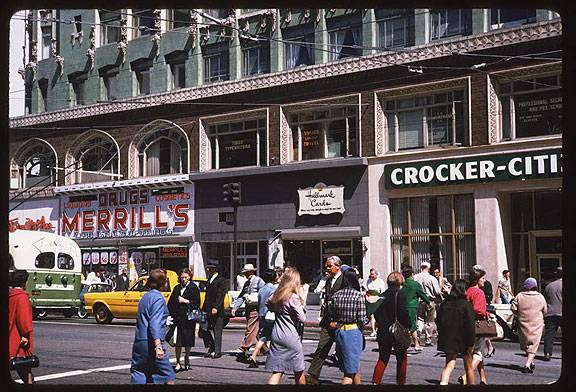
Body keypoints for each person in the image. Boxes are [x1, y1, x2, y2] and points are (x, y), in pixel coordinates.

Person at [130, 269, 175, 384]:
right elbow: (154, 323)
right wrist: (158, 345)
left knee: (139, 372)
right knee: (168, 376)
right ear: (162, 283)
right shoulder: (158, 298)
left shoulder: (144, 297)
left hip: (139, 341)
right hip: (151, 342)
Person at [306, 255, 345, 385]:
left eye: (330, 266)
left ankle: (350, 376)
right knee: (321, 348)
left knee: (344, 351)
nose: (327, 268)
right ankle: (313, 375)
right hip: (328, 321)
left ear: (337, 266)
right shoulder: (328, 280)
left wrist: (339, 320)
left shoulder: (344, 280)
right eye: (326, 266)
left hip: (340, 321)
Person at [265, 268, 307, 384]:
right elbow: (302, 318)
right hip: (290, 335)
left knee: (277, 370)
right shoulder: (293, 297)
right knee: (299, 369)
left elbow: (268, 304)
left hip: (277, 334)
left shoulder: (277, 295)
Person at [329, 270, 368, 384]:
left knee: (352, 366)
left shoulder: (336, 295)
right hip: (353, 332)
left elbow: (332, 315)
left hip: (340, 331)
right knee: (349, 373)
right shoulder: (358, 296)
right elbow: (362, 319)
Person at [371, 272, 410, 385]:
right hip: (397, 331)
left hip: (383, 331)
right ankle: (400, 382)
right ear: (399, 281)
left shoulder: (381, 296)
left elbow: (376, 314)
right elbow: (404, 314)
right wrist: (408, 325)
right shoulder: (401, 295)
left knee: (383, 358)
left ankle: (375, 382)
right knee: (402, 359)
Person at [437, 279, 475, 385]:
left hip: (449, 338)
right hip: (464, 339)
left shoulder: (445, 304)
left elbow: (439, 321)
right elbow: (470, 325)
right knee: (468, 367)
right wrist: (471, 342)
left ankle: (443, 383)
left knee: (449, 364)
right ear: (463, 290)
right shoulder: (466, 305)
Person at [458, 269, 489, 385]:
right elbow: (479, 310)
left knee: (475, 351)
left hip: (466, 324)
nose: (484, 281)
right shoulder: (479, 292)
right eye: (483, 278)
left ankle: (482, 378)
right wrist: (486, 314)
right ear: (477, 280)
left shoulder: (468, 291)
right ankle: (465, 376)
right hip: (477, 324)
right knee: (479, 353)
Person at [511, 277, 547, 373]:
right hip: (537, 323)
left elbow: (513, 308)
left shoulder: (519, 296)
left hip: (523, 323)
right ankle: (527, 365)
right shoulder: (540, 297)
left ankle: (531, 362)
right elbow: (545, 310)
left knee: (527, 344)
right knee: (533, 344)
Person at [167, 268, 201, 372]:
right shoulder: (177, 288)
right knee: (178, 341)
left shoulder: (193, 288)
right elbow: (171, 303)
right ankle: (177, 362)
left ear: (189, 277)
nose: (184, 279)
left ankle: (187, 357)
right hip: (178, 318)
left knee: (188, 341)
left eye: (186, 277)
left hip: (189, 319)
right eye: (182, 277)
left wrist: (186, 301)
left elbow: (197, 303)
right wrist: (169, 315)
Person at [232, 263, 265, 362]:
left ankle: (243, 348)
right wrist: (235, 307)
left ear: (252, 272)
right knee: (256, 331)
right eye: (245, 273)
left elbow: (263, 294)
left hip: (256, 309)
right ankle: (265, 349)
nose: (246, 274)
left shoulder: (259, 281)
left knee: (250, 329)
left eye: (247, 272)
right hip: (248, 309)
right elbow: (242, 295)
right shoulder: (247, 283)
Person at [248, 269, 279, 368]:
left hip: (261, 315)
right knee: (268, 337)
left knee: (265, 337)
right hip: (271, 316)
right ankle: (256, 356)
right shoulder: (273, 289)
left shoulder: (261, 289)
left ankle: (258, 356)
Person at [9, 270, 35, 384]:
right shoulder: (21, 297)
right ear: (24, 283)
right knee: (25, 368)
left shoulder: (10, 294)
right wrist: (25, 336)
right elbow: (23, 320)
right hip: (18, 339)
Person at [201, 260, 227, 359]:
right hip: (207, 308)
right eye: (209, 267)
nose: (209, 269)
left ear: (215, 269)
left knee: (217, 330)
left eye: (211, 268)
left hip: (217, 310)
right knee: (204, 329)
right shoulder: (209, 279)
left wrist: (216, 307)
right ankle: (211, 347)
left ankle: (217, 351)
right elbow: (207, 296)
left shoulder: (221, 280)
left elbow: (221, 295)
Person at [400, 265, 429, 352]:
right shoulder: (415, 284)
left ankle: (404, 344)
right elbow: (422, 295)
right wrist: (428, 302)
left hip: (402, 306)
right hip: (412, 307)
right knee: (412, 325)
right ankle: (416, 344)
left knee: (403, 326)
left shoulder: (402, 284)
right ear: (412, 274)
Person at [413, 261, 442, 347]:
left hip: (419, 300)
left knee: (420, 318)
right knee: (429, 320)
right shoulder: (431, 278)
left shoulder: (415, 277)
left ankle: (418, 333)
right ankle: (428, 339)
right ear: (428, 268)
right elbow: (437, 291)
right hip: (430, 300)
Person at [472, 265, 495, 357]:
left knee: (483, 330)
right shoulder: (473, 288)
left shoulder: (486, 284)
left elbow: (490, 295)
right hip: (479, 310)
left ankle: (489, 347)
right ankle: (489, 347)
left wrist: (483, 299)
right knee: (482, 331)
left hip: (483, 307)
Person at [543, 267, 562, 361]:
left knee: (549, 334)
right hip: (563, 313)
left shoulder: (549, 286)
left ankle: (547, 353)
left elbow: (546, 299)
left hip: (550, 313)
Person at [366, 268, 386, 337]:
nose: (371, 275)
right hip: (370, 299)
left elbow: (382, 291)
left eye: (373, 274)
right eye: (371, 274)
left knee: (377, 315)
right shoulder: (368, 281)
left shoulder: (380, 281)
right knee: (371, 315)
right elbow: (367, 289)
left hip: (377, 299)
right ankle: (373, 330)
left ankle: (377, 329)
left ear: (376, 274)